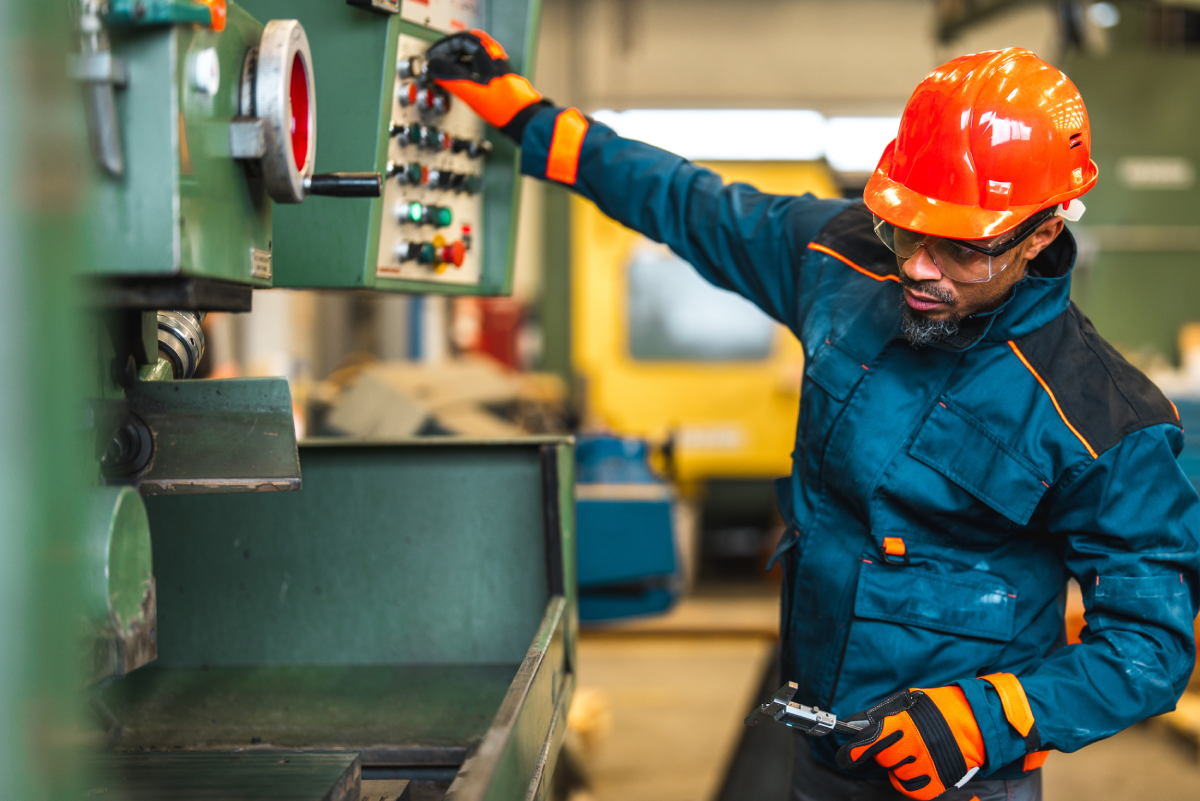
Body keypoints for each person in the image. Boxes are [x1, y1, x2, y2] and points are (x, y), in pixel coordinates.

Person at [425, 35, 1200, 801]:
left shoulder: (1107, 422)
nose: (920, 267)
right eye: (908, 228)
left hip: (960, 777)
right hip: (819, 744)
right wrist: (534, 122)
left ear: (1042, 231)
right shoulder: (843, 261)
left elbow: (1148, 642)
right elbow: (687, 202)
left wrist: (988, 717)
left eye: (963, 250)